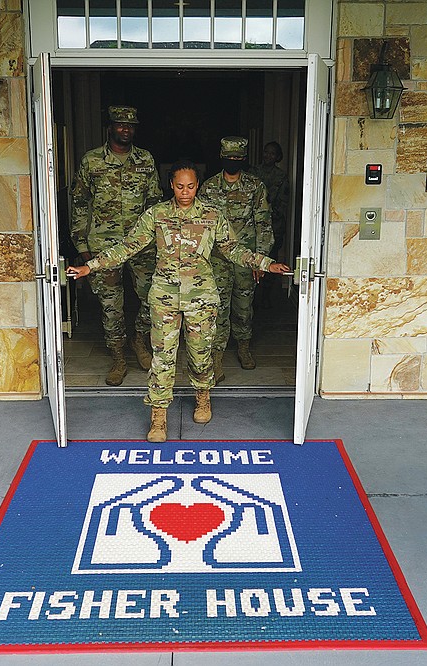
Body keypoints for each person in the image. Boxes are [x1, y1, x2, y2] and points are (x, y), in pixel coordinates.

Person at [67, 161, 289, 443]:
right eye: (180, 186)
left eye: (191, 186)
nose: (185, 192)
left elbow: (232, 248)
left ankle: (202, 396)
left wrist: (266, 264)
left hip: (201, 297)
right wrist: (92, 266)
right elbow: (128, 245)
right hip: (164, 297)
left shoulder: (212, 215)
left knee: (200, 353)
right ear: (171, 185)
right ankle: (158, 416)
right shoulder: (156, 215)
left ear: (198, 185)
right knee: (162, 357)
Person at [70, 105, 163, 386]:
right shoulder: (91, 161)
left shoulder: (145, 160)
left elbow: (155, 204)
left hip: (142, 244)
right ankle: (118, 357)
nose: (126, 129)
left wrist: (158, 241)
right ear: (109, 127)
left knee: (152, 297)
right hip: (102, 245)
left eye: (130, 125)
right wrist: (82, 245)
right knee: (112, 306)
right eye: (120, 125)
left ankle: (138, 339)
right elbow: (79, 204)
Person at [199, 137, 274, 381]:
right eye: (228, 158)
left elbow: (263, 222)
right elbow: (199, 226)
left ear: (243, 159)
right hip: (217, 259)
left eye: (237, 158)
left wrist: (260, 259)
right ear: (221, 157)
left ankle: (243, 347)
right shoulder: (208, 187)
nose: (233, 162)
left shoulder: (255, 186)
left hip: (246, 257)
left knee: (243, 307)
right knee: (217, 308)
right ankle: (216, 357)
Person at [252, 141, 290, 308]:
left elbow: (284, 201)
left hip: (273, 225)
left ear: (278, 156)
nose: (268, 156)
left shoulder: (281, 176)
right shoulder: (253, 173)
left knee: (271, 261)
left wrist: (269, 213)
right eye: (266, 152)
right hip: (252, 225)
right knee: (251, 261)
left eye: (272, 153)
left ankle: (266, 296)